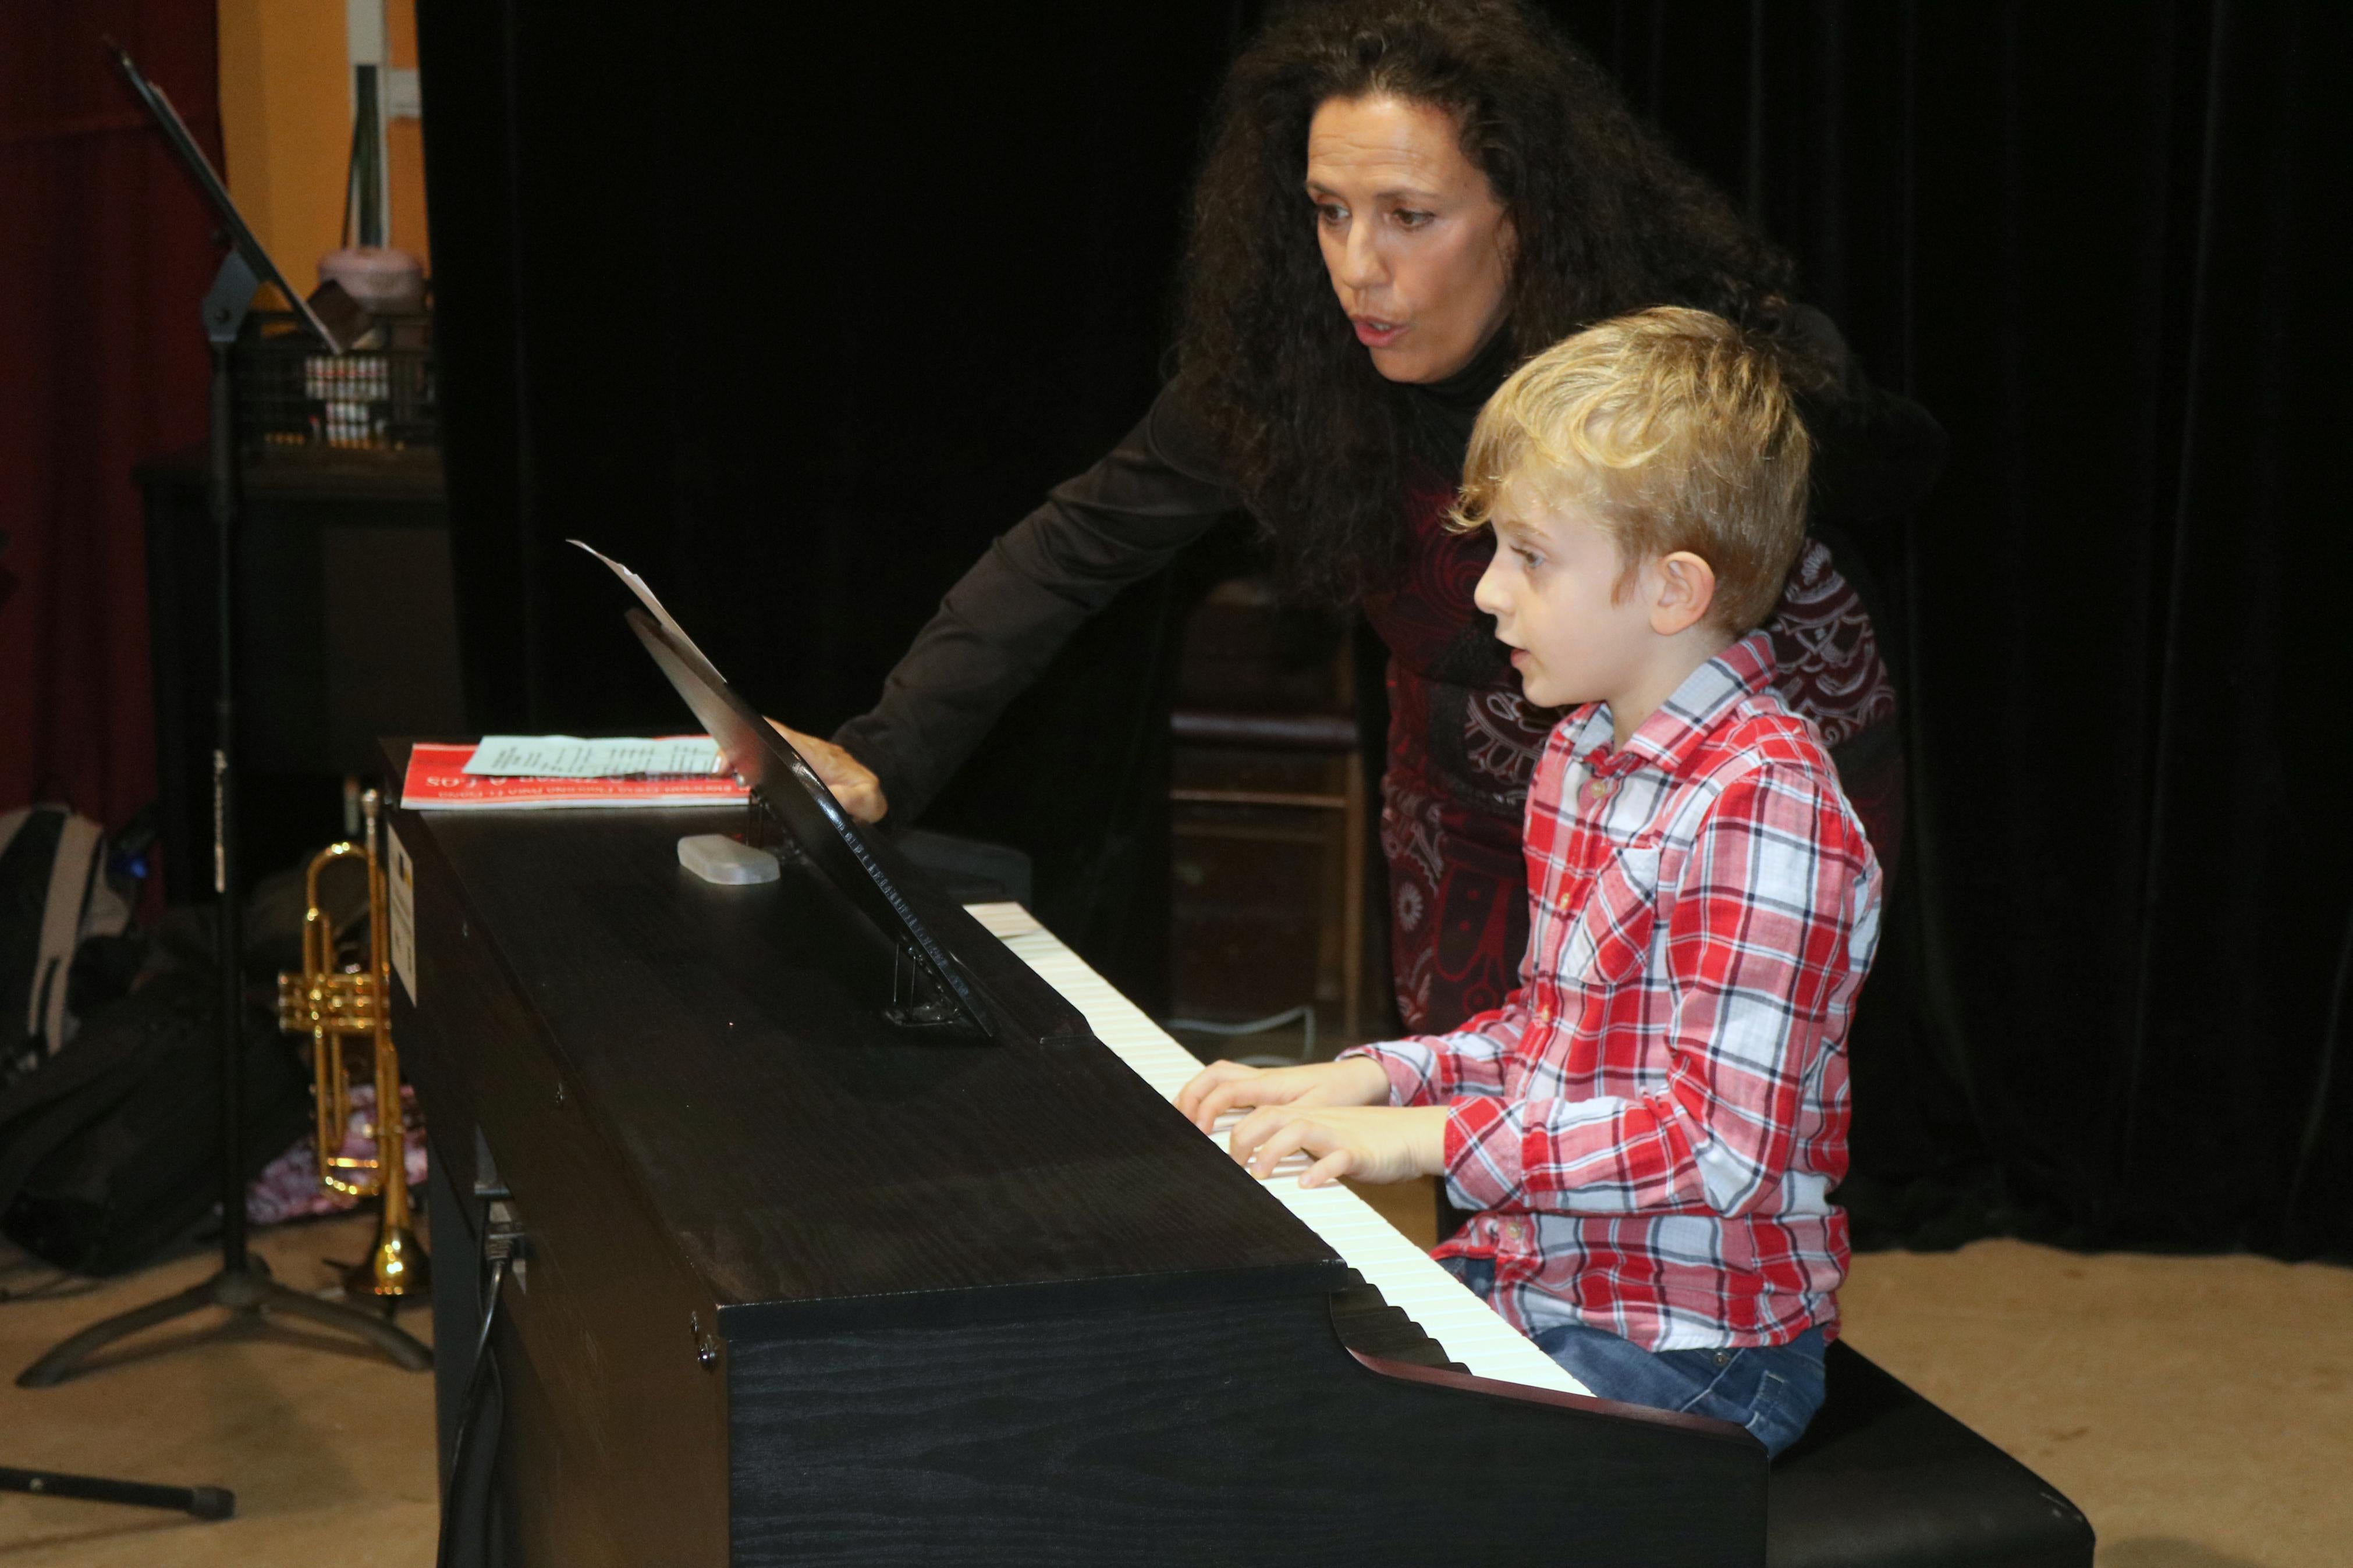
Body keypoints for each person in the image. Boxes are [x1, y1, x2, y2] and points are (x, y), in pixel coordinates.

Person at [779, 0, 1937, 1033]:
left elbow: (1895, 470)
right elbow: (1080, 543)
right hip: (1469, 794)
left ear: (1520, 213)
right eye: (1330, 212)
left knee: (1665, 1142)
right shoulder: (1294, 367)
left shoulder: (1656, 351)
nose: (1357, 267)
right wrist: (880, 755)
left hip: (1718, 790)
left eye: (1409, 216)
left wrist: (1807, 395)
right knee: (1476, 1148)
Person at [1177, 307, 1883, 1457]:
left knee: (1379, 1484)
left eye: (1531, 557)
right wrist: (1365, 1078)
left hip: (1697, 1350)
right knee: (1256, 1398)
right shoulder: (1582, 755)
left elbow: (1722, 1148)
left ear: (1673, 589)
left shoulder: (1766, 804)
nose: (1489, 593)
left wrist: (1436, 1141)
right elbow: (1547, 1037)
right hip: (1542, 1281)